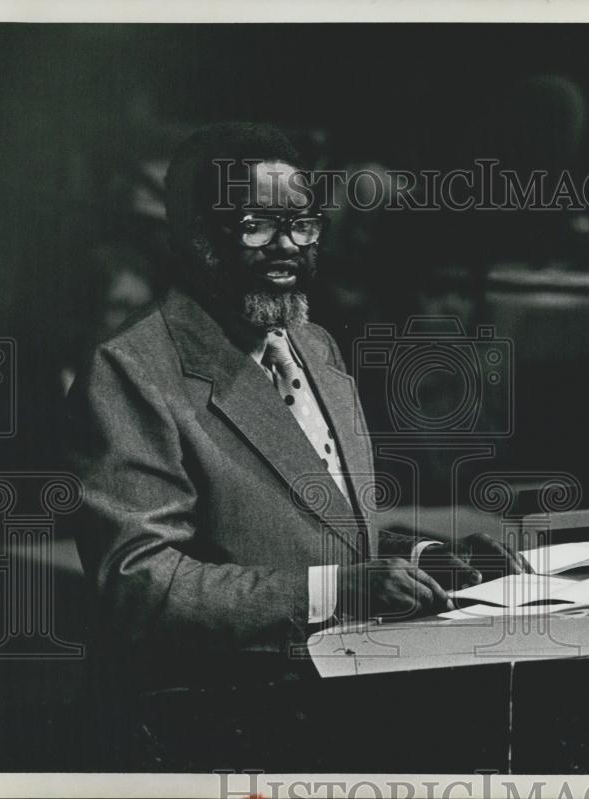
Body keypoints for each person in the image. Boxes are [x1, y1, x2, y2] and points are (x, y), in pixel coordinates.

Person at [65, 122, 525, 663]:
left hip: (348, 679)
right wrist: (334, 593)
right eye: (255, 225)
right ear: (193, 237)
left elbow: (320, 533)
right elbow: (138, 583)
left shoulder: (313, 344)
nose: (287, 246)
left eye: (302, 224)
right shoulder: (130, 371)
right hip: (226, 715)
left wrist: (427, 558)